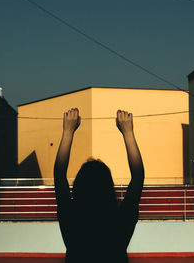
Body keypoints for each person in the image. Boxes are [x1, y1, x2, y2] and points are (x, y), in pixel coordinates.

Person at [54, 108, 144, 263]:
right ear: (109, 187)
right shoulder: (120, 219)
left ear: (78, 187)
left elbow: (59, 174)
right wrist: (128, 132)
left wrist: (68, 131)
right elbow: (138, 176)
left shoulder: (71, 216)